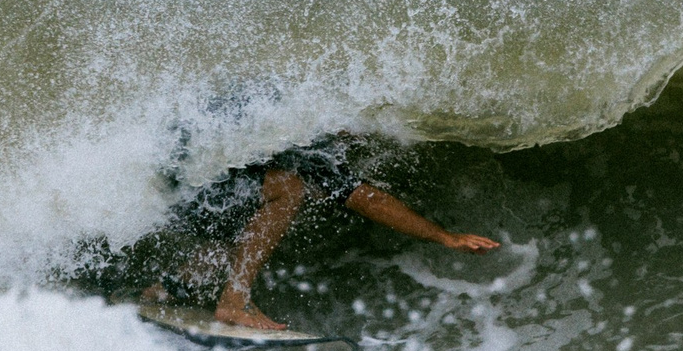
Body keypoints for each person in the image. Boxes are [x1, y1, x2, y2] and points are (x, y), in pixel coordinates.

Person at [145, 133, 498, 329]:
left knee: (251, 221)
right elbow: (368, 200)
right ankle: (234, 301)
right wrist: (445, 237)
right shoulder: (308, 137)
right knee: (287, 189)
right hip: (189, 195)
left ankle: (165, 289)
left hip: (165, 191)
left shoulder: (282, 108)